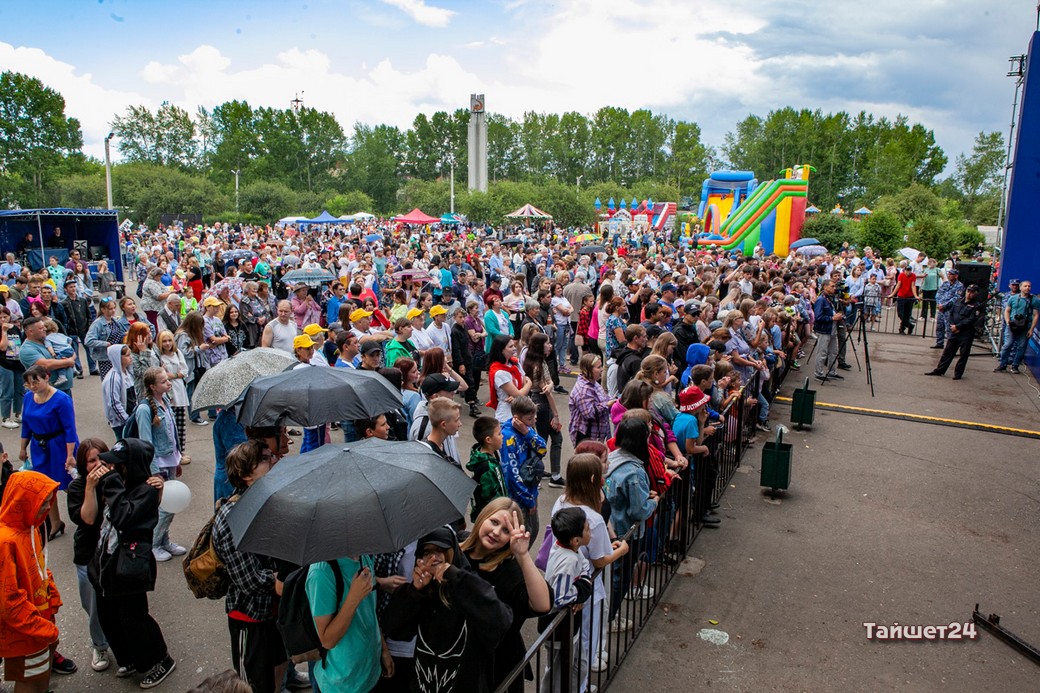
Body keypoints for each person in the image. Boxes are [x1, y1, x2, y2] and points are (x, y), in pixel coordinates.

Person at [89, 438, 177, 688]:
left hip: (130, 568)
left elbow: (123, 517)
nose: (111, 469)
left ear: (132, 466)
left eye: (118, 465)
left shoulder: (146, 490)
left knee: (135, 618)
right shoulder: (118, 484)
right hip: (107, 564)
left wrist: (111, 483)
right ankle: (129, 659)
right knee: (110, 616)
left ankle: (160, 660)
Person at [383, 526, 512, 693]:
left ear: (453, 553)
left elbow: (501, 621)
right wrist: (414, 592)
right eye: (427, 552)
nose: (434, 557)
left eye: (440, 550)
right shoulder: (423, 593)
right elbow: (394, 629)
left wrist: (455, 576)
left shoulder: (469, 588)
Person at [210, 441, 289, 693]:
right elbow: (250, 580)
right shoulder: (233, 517)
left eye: (272, 455)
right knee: (253, 685)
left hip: (276, 613)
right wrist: (282, 578)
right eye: (265, 459)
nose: (274, 461)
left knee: (278, 670)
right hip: (250, 618)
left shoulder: (271, 502)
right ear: (245, 476)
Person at [548, 452, 629, 676]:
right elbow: (600, 559)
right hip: (585, 586)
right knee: (585, 641)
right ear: (593, 480)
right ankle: (581, 685)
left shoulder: (561, 502)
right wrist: (620, 550)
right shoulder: (592, 519)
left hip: (564, 578)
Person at [459, 497, 551, 693]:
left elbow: (543, 604)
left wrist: (523, 555)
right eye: (494, 522)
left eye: (506, 530)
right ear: (483, 516)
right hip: (454, 665)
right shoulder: (455, 549)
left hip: (495, 670)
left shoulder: (509, 571)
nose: (496, 532)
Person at [0, 469, 66, 693]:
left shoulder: (30, 528)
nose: (47, 509)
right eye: (42, 503)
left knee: (40, 669)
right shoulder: (5, 541)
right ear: (22, 500)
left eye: (49, 502)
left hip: (40, 620)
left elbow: (39, 567)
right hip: (24, 630)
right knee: (28, 678)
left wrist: (51, 591)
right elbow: (8, 601)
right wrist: (39, 627)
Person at [66, 438, 114, 674]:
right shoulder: (77, 487)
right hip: (88, 554)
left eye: (101, 458)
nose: (97, 464)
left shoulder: (117, 479)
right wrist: (91, 488)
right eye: (91, 460)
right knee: (93, 605)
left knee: (116, 602)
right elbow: (87, 518)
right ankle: (99, 645)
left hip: (113, 554)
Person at [305, 552, 385, 693]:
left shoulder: (365, 556)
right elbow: (327, 640)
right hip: (341, 683)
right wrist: (354, 597)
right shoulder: (321, 571)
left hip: (370, 671)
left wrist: (383, 648)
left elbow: (369, 611)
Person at [604, 417, 658, 624]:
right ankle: (610, 618)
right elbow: (639, 510)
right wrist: (654, 502)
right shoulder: (634, 471)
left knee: (612, 576)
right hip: (627, 533)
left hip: (611, 528)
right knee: (620, 578)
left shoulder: (613, 457)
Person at [18, 363, 78, 539]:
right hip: (39, 447)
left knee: (70, 485)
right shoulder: (29, 398)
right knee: (45, 487)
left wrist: (69, 456)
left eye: (35, 382)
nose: (32, 386)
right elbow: (26, 424)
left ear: (47, 377)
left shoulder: (62, 399)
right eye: (28, 383)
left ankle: (86, 516)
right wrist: (23, 448)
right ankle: (56, 522)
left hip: (60, 445)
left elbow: (70, 429)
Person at [538, 507, 594, 693]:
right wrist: (583, 590)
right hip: (559, 629)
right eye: (587, 529)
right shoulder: (568, 560)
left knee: (579, 666)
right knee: (556, 677)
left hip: (570, 627)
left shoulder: (569, 549)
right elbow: (561, 597)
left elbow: (584, 564)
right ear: (576, 540)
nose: (590, 530)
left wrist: (583, 581)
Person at [133, 367, 186, 562]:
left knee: (169, 507)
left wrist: (177, 459)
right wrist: (154, 472)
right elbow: (146, 444)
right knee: (163, 508)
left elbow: (172, 433)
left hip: (170, 461)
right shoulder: (145, 409)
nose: (169, 382)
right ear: (152, 386)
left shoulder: (166, 402)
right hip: (158, 466)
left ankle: (164, 540)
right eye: (164, 381)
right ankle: (153, 545)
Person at [499, 396, 547, 539]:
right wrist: (528, 500)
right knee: (524, 534)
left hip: (532, 489)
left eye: (535, 417)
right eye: (530, 419)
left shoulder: (527, 430)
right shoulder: (507, 437)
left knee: (534, 529)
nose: (534, 421)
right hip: (519, 497)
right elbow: (512, 475)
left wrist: (527, 433)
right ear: (517, 419)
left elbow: (542, 449)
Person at [522, 332, 564, 487]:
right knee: (545, 441)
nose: (550, 345)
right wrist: (556, 415)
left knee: (545, 440)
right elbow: (546, 392)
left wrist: (551, 384)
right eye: (547, 343)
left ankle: (546, 474)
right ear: (540, 346)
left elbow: (549, 383)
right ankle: (541, 474)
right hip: (543, 405)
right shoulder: (538, 366)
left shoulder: (538, 362)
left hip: (539, 402)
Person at [926, 285, 984, 380]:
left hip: (966, 332)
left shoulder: (976, 306)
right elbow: (951, 314)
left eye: (972, 292)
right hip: (954, 331)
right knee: (947, 352)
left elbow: (971, 319)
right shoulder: (958, 301)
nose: (970, 293)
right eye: (968, 291)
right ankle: (940, 370)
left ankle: (958, 374)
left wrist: (958, 326)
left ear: (976, 294)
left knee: (963, 354)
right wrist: (953, 325)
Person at [19, 316, 76, 396]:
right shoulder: (26, 349)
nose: (45, 329)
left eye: (44, 327)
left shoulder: (47, 340)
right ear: (30, 331)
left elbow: (69, 349)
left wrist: (71, 359)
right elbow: (45, 365)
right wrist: (68, 362)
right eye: (41, 328)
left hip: (63, 389)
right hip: (46, 393)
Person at [157, 331, 190, 463]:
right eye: (164, 341)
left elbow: (185, 371)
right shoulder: (159, 356)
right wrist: (173, 375)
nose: (167, 344)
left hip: (179, 392)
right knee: (169, 426)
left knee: (181, 425)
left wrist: (172, 375)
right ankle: (172, 453)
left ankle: (181, 452)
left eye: (169, 340)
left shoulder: (177, 353)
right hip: (167, 394)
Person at [567, 353, 613, 447]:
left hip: (595, 436)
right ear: (588, 369)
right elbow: (590, 413)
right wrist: (607, 404)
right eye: (598, 367)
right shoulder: (583, 389)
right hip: (586, 436)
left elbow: (603, 397)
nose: (601, 370)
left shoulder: (594, 383)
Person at [995, 279, 1039, 374]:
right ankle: (1003, 364)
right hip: (1012, 325)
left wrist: (1031, 329)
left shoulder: (1034, 300)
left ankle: (1015, 366)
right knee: (1007, 345)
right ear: (1021, 287)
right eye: (1025, 286)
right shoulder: (1013, 298)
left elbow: (1036, 315)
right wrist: (1007, 322)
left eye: (1029, 286)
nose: (1027, 288)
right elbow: (1007, 311)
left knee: (1021, 347)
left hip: (1025, 326)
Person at [487, 335, 532, 424]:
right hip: (507, 415)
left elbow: (523, 383)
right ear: (501, 350)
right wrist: (530, 383)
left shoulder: (515, 362)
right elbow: (520, 393)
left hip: (522, 411)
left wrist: (517, 394)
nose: (514, 348)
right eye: (510, 347)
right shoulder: (499, 372)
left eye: (513, 346)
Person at [176, 312, 209, 425]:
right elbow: (183, 352)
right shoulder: (183, 335)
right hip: (189, 370)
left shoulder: (193, 334)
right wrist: (199, 348)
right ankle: (194, 416)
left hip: (197, 367)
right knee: (191, 393)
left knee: (195, 392)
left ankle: (195, 415)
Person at [812, 280, 843, 382]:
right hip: (824, 330)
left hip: (832, 329)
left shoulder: (830, 298)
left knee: (833, 352)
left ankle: (832, 371)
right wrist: (832, 318)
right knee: (822, 352)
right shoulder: (821, 300)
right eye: (832, 286)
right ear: (825, 287)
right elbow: (818, 316)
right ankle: (818, 373)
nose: (834, 288)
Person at [933, 268, 964, 349]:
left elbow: (956, 298)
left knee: (949, 328)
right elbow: (938, 294)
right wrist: (940, 304)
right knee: (940, 327)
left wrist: (945, 305)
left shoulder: (959, 286)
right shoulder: (945, 283)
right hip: (941, 309)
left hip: (950, 310)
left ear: (956, 276)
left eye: (951, 274)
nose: (949, 275)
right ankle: (939, 342)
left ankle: (950, 346)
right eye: (949, 274)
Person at [894, 262, 920, 335]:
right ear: (904, 270)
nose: (908, 272)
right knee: (900, 313)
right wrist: (893, 294)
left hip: (909, 297)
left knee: (907, 314)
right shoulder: (901, 275)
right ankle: (910, 326)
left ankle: (902, 329)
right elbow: (898, 285)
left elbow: (913, 286)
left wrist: (915, 296)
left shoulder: (913, 276)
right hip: (901, 296)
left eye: (909, 270)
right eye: (907, 270)